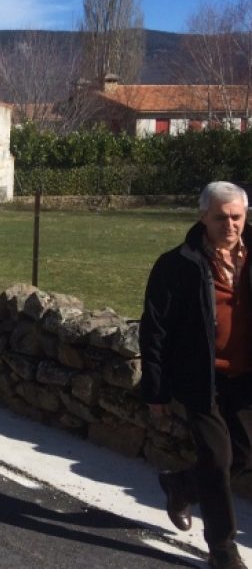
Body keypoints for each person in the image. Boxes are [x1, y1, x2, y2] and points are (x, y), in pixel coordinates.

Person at [142, 181, 252, 569]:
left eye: (237, 217)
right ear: (203, 216)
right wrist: (155, 390)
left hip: (244, 379)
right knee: (219, 459)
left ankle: (181, 485)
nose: (230, 225)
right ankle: (222, 550)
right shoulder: (178, 265)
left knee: (244, 453)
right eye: (221, 217)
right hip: (199, 380)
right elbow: (154, 328)